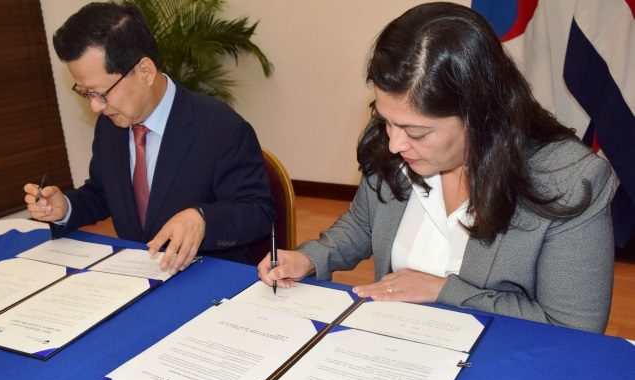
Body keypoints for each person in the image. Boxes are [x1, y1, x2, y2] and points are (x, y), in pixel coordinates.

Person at [259, 2, 616, 333]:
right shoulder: (396, 138)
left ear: (480, 115)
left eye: (417, 133)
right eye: (386, 120)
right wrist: (309, 258)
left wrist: (443, 290)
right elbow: (364, 223)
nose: (395, 144)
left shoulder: (569, 181)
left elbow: (574, 329)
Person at [24, 1, 274, 273]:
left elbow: (258, 211)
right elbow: (103, 193)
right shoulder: (110, 125)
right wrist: (66, 207)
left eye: (101, 93)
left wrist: (203, 218)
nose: (95, 106)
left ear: (145, 71)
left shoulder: (220, 127)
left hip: (206, 275)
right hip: (136, 273)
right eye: (86, 93)